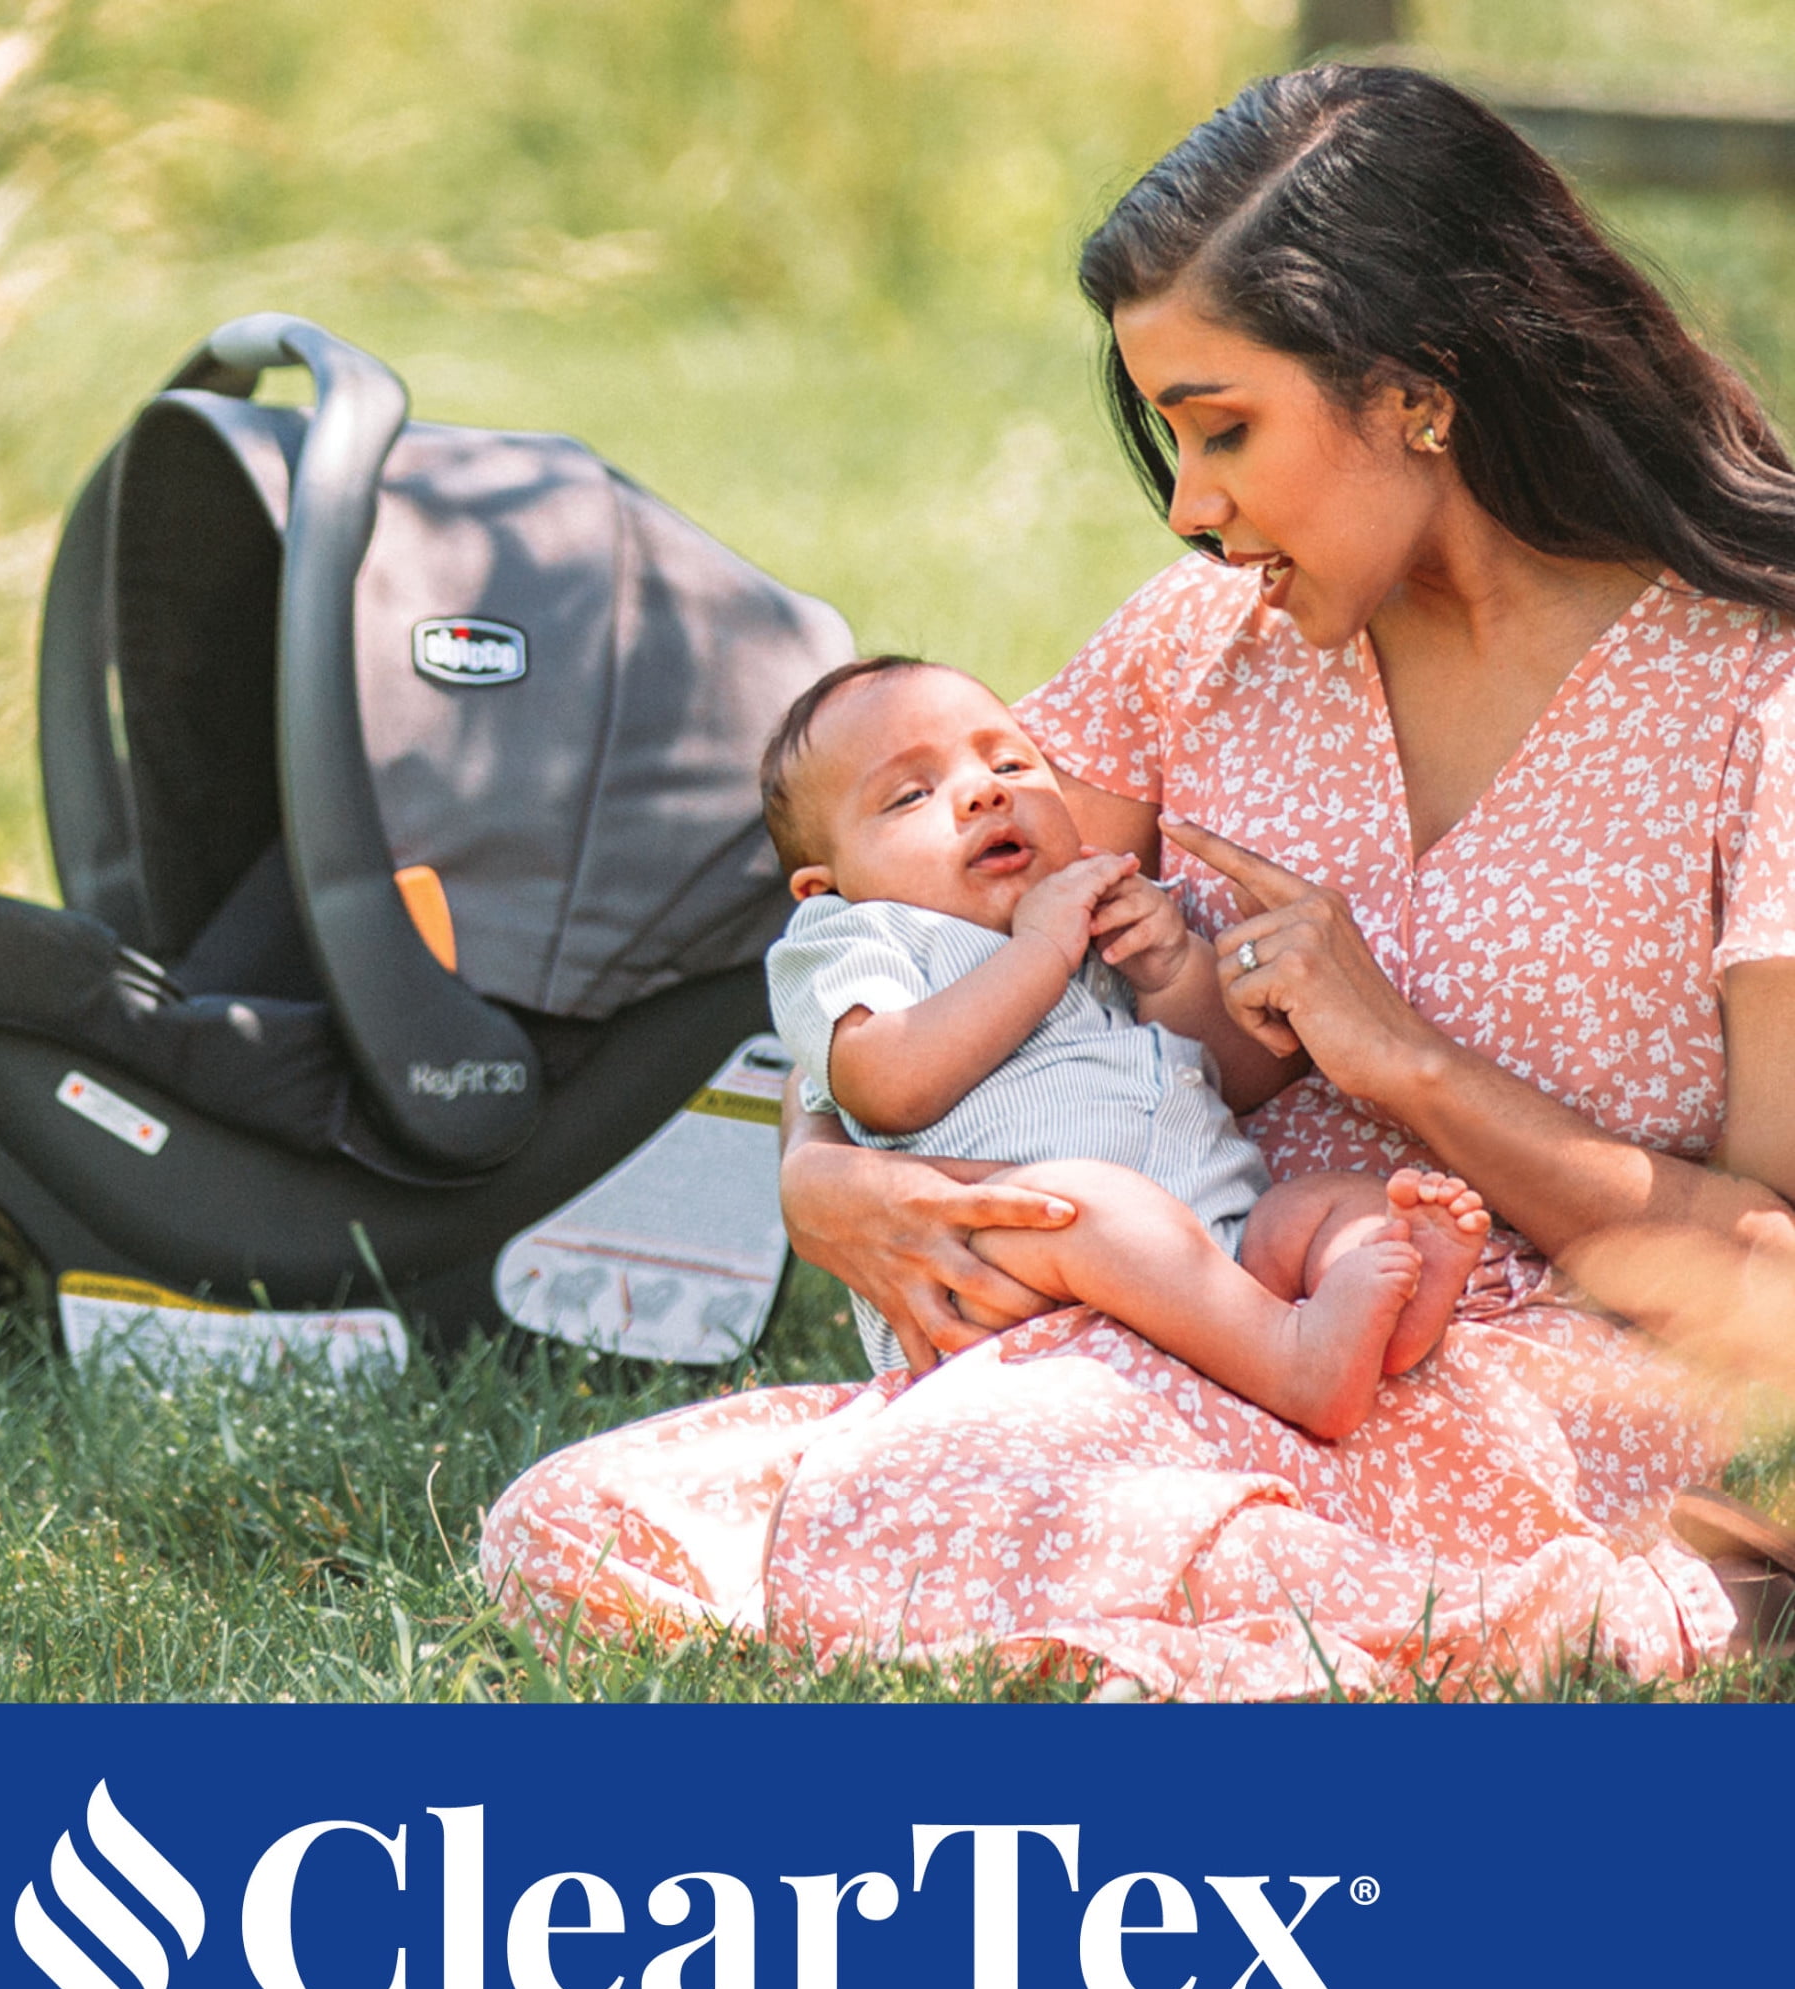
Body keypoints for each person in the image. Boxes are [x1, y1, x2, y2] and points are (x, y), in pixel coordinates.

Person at [480, 63, 1795, 1697]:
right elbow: (924, 925)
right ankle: (1276, 1606)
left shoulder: (1758, 701)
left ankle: (1494, 1603)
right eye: (1170, 435)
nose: (1187, 505)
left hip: (1492, 1377)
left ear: (1419, 391)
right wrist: (824, 1172)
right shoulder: (1197, 649)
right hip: (1151, 1337)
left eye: (1224, 427)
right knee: (580, 1523)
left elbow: (1767, 1280)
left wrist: (1408, 1070)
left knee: (1054, 1501)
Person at [761, 652, 1487, 1436]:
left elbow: (1249, 1078)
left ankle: (1385, 1328)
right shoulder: (857, 938)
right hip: (1007, 1268)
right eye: (911, 795)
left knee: (1328, 1208)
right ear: (823, 886)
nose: (984, 792)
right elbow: (888, 1084)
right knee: (1093, 1202)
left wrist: (1171, 970)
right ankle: (1299, 1368)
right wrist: (1041, 951)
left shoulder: (1086, 907)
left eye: (1010, 764)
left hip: (1217, 1259)